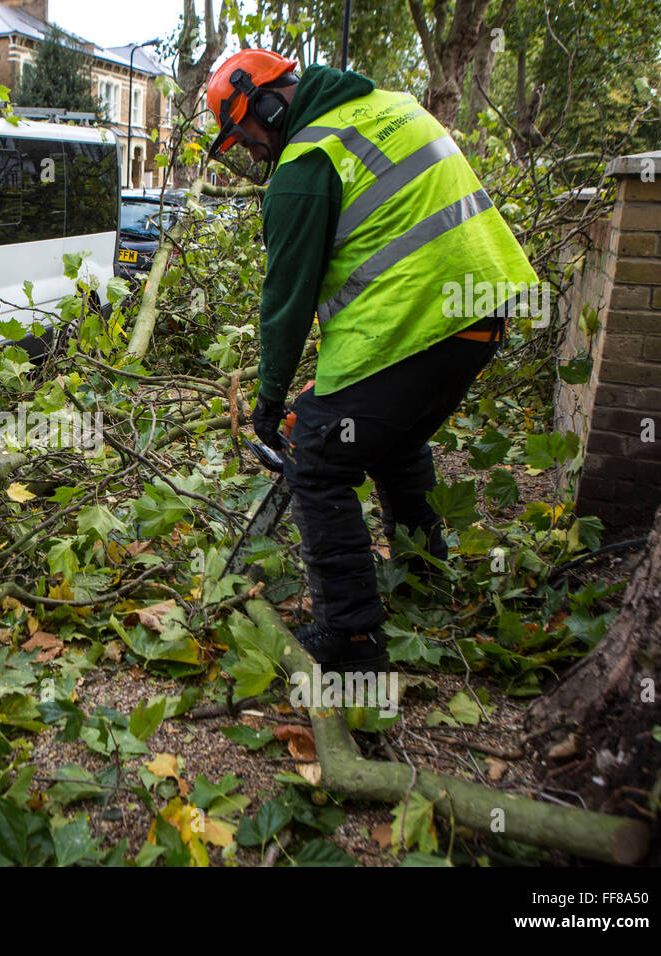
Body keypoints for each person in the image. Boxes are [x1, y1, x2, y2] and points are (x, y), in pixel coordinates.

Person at [206, 51, 538, 673]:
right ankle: (423, 575)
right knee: (391, 439)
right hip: (480, 315)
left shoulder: (305, 165)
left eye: (246, 135)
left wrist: (271, 401)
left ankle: (351, 640)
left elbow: (286, 300)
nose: (250, 153)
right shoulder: (391, 106)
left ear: (271, 105)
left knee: (321, 458)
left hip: (414, 325)